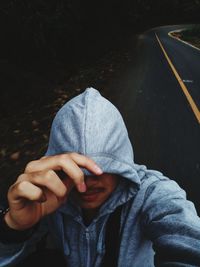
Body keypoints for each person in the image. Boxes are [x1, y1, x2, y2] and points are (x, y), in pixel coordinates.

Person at [0, 88, 200, 267]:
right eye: (74, 170)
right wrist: (13, 228)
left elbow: (189, 241)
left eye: (101, 167)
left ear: (121, 163)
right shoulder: (46, 197)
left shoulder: (152, 195)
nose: (85, 182)